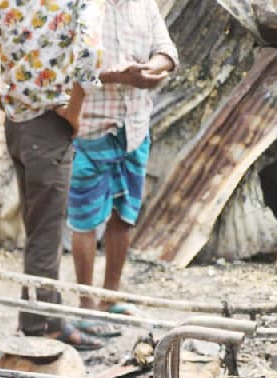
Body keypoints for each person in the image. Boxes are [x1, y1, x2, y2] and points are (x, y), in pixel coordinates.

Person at [0, 0, 107, 350]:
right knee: (45, 237)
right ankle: (42, 326)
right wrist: (75, 111)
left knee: (39, 233)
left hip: (17, 127)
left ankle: (44, 318)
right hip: (50, 126)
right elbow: (92, 52)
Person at [67, 0, 177, 331]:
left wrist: (153, 70)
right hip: (90, 129)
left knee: (123, 215)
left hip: (135, 128)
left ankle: (110, 297)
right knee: (84, 219)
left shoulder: (144, 6)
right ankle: (86, 305)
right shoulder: (79, 7)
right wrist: (119, 75)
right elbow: (64, 67)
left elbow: (167, 50)